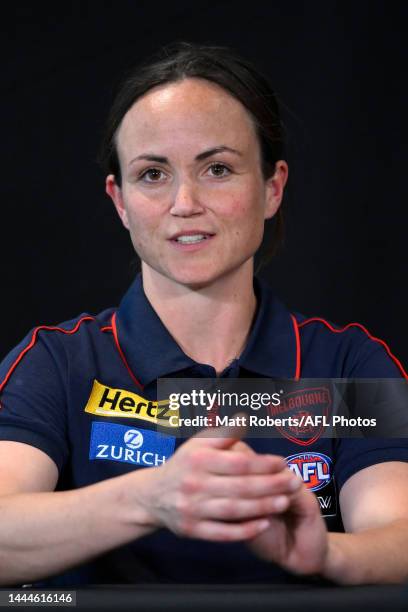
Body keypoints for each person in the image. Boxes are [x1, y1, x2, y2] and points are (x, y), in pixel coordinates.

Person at [0, 42, 407, 588]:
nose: (185, 202)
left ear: (272, 187)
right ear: (119, 201)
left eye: (217, 168)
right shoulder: (58, 362)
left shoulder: (347, 363)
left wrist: (331, 557)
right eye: (152, 174)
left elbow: (397, 530)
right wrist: (150, 498)